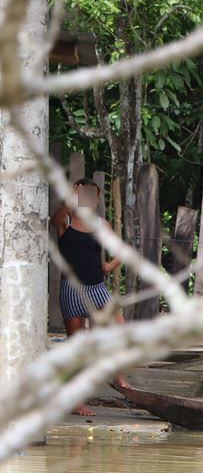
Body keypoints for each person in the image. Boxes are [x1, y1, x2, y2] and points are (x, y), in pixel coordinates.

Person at [52, 178, 126, 416]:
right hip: (72, 289)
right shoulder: (67, 221)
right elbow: (55, 219)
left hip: (97, 287)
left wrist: (108, 266)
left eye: (91, 195)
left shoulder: (101, 224)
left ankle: (119, 376)